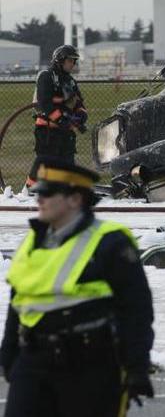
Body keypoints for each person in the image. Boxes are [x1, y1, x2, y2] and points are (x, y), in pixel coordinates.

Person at [0, 160, 154, 416]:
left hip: (89, 365)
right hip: (33, 363)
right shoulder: (32, 241)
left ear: (74, 199)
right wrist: (8, 355)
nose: (40, 199)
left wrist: (137, 367)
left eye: (48, 193)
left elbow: (136, 311)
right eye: (39, 192)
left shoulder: (110, 242)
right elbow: (19, 301)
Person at [26, 45, 88, 188]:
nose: (73, 64)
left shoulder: (70, 81)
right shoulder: (46, 76)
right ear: (60, 60)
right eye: (70, 61)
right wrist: (61, 119)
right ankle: (28, 191)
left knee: (68, 165)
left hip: (66, 132)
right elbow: (45, 104)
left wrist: (81, 115)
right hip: (47, 131)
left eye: (74, 61)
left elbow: (79, 103)